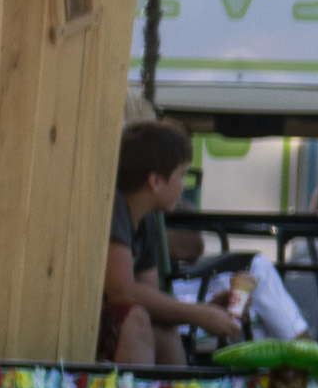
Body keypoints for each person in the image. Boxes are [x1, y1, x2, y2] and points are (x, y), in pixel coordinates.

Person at [103, 121, 247, 364]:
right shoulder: (117, 207)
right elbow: (121, 291)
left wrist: (207, 309)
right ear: (155, 181)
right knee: (137, 318)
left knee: (164, 329)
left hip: (113, 324)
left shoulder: (147, 220)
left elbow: (150, 295)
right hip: (88, 322)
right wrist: (198, 314)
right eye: (181, 175)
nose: (183, 186)